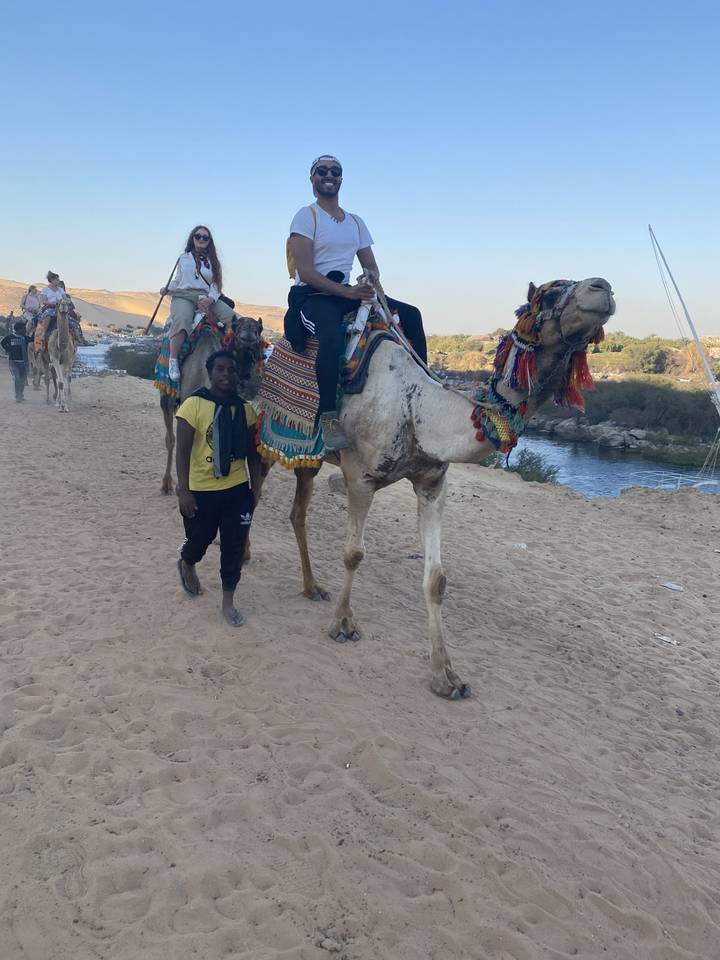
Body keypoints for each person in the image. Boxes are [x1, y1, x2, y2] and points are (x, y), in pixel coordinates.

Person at [285, 154, 428, 449]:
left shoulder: (356, 222)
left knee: (411, 315)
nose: (329, 175)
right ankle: (328, 416)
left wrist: (369, 279)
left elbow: (371, 266)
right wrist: (348, 293)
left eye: (335, 171)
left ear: (341, 179)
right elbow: (307, 272)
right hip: (315, 296)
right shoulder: (306, 215)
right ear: (312, 179)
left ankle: (424, 388)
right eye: (322, 171)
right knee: (332, 339)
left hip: (349, 292)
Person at [175, 349, 259, 627]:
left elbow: (252, 454)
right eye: (220, 369)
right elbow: (183, 451)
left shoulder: (245, 410)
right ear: (210, 373)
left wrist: (255, 488)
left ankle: (228, 602)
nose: (226, 374)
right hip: (201, 489)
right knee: (199, 540)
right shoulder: (193, 405)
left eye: (231, 370)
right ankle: (187, 561)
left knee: (234, 547)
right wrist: (183, 491)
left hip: (236, 488)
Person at [162, 226, 235, 383]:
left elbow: (216, 285)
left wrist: (210, 299)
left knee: (233, 319)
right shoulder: (183, 258)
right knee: (182, 318)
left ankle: (235, 361)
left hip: (206, 296)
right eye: (198, 236)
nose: (201, 239)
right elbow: (178, 280)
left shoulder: (214, 262)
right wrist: (168, 288)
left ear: (209, 241)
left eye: (205, 237)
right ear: (192, 238)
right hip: (184, 295)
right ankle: (173, 361)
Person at [1, 320, 33, 402]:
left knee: (22, 379)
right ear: (19, 329)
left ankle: (21, 395)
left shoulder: (25, 338)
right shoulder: (10, 337)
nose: (25, 330)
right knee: (17, 378)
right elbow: (2, 343)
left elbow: (33, 339)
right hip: (13, 362)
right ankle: (17, 396)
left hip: (23, 363)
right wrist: (8, 350)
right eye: (24, 329)